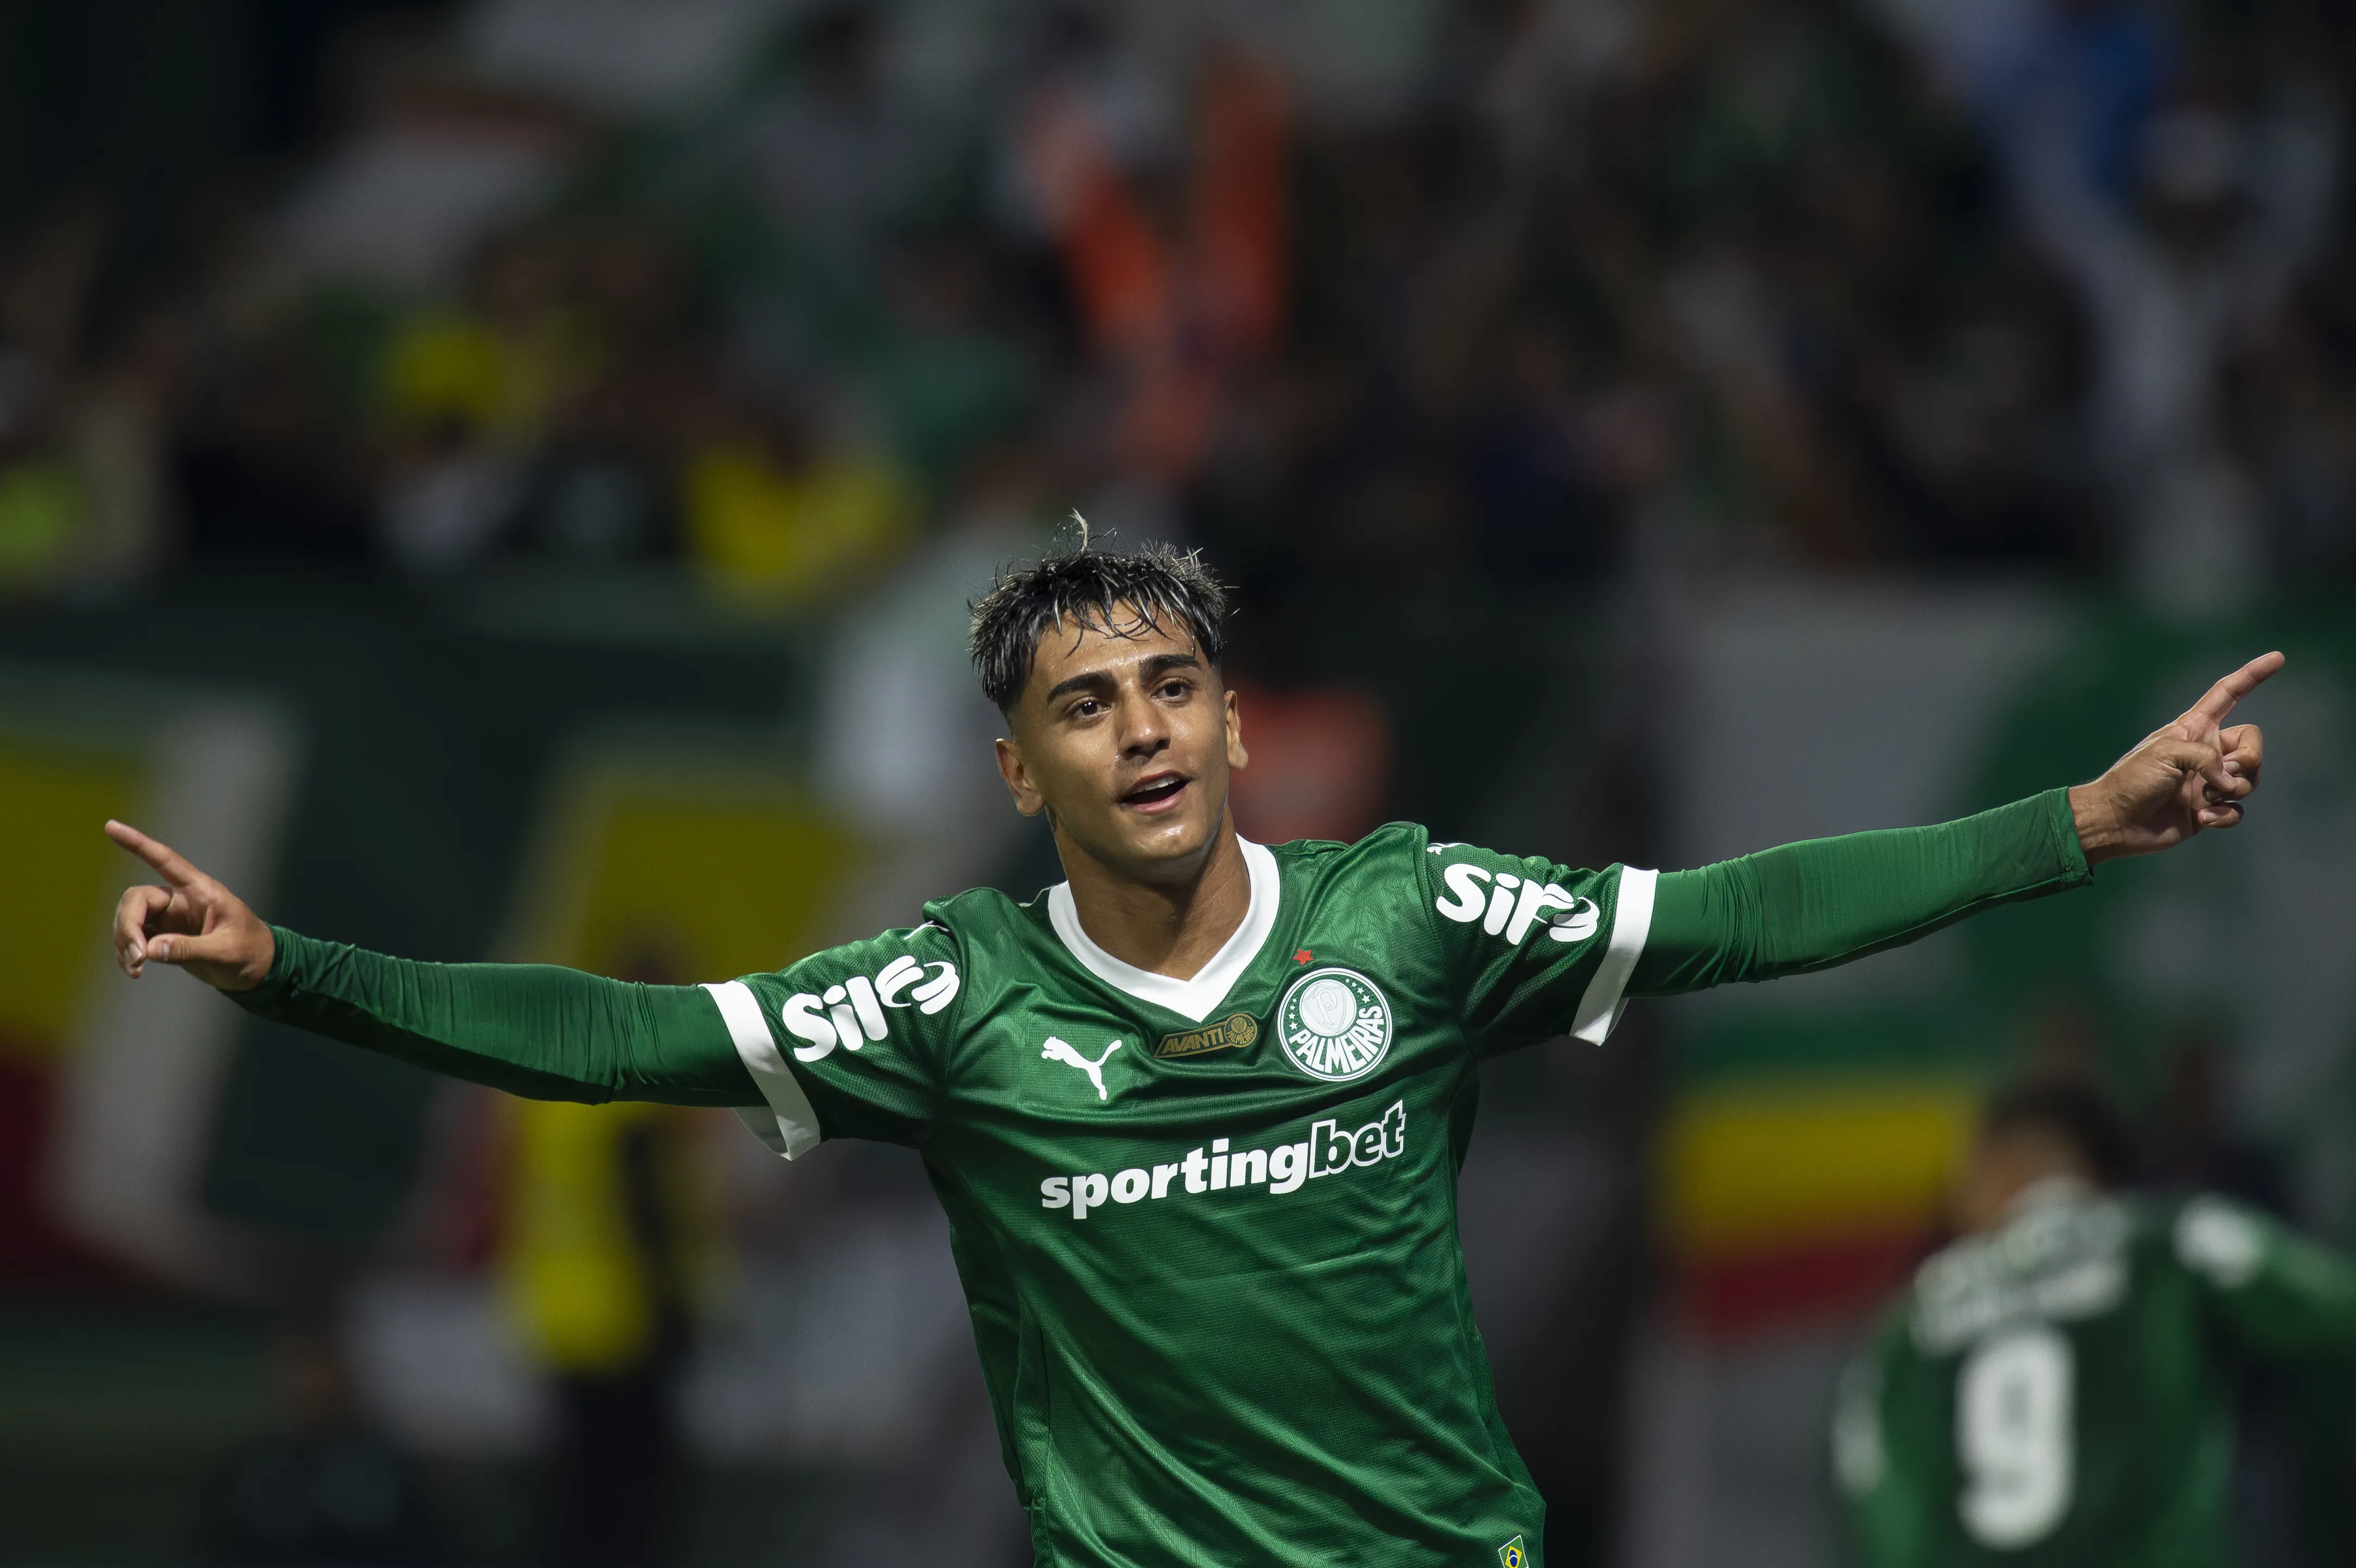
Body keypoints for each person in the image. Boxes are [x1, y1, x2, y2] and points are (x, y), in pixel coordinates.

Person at [107, 541, 2276, 1567]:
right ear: (1020, 762)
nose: (1139, 724)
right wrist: (294, 963)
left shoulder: (1409, 915)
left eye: (1170, 684)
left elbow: (1733, 913)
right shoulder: (953, 995)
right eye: (1085, 701)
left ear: (1233, 724)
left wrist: (2068, 821)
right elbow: (619, 1037)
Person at [1832, 1080, 2356, 1568]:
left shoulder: (1903, 1330)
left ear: (2002, 1164)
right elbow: (2333, 1314)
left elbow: (1881, 1528)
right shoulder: (2173, 1242)